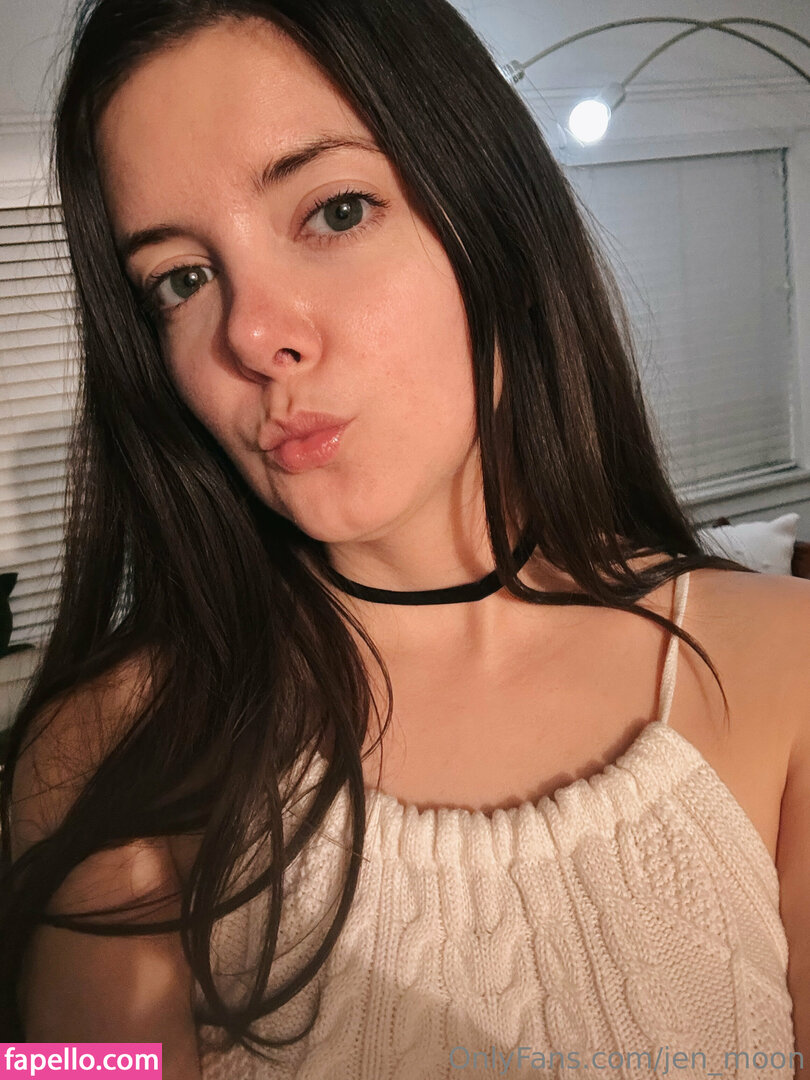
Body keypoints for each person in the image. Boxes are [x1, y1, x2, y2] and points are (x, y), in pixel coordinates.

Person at [0, 0, 808, 1076]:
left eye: (334, 212)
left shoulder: (788, 664)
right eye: (181, 279)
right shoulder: (102, 745)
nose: (251, 333)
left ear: (494, 219)